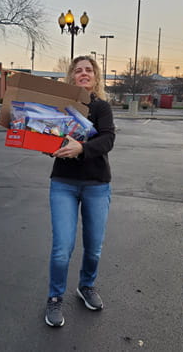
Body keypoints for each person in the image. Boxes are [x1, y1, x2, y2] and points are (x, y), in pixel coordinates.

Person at [44, 55, 116, 327]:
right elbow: (47, 134)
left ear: (95, 77)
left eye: (89, 70)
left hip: (97, 184)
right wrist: (45, 144)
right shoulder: (61, 107)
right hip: (63, 183)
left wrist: (82, 148)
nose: (83, 74)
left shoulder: (101, 107)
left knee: (93, 248)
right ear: (71, 77)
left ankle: (86, 286)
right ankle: (54, 298)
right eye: (78, 70)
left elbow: (108, 138)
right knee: (62, 248)